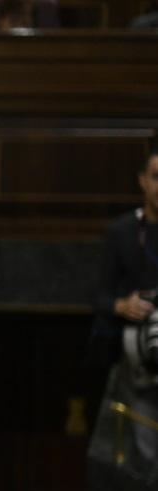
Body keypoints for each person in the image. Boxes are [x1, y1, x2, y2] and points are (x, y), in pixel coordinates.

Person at [90, 146, 158, 375]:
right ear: (143, 181)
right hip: (129, 352)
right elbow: (99, 296)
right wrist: (123, 306)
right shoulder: (121, 231)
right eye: (156, 177)